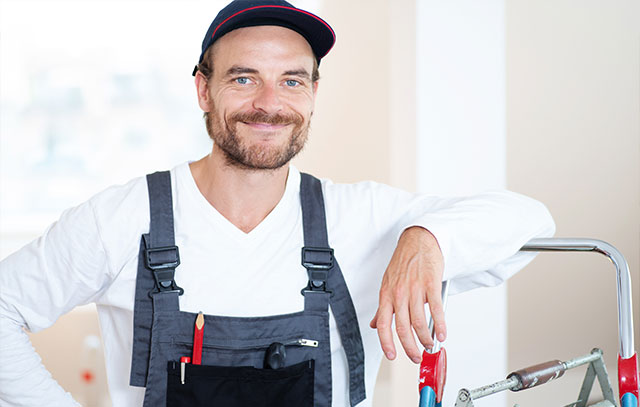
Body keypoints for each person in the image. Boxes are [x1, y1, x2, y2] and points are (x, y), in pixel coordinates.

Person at [0, 1, 555, 406]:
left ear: (313, 94)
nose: (270, 104)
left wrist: (428, 239)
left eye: (292, 81)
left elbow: (531, 220)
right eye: (244, 78)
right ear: (202, 89)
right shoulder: (124, 218)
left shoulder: (356, 218)